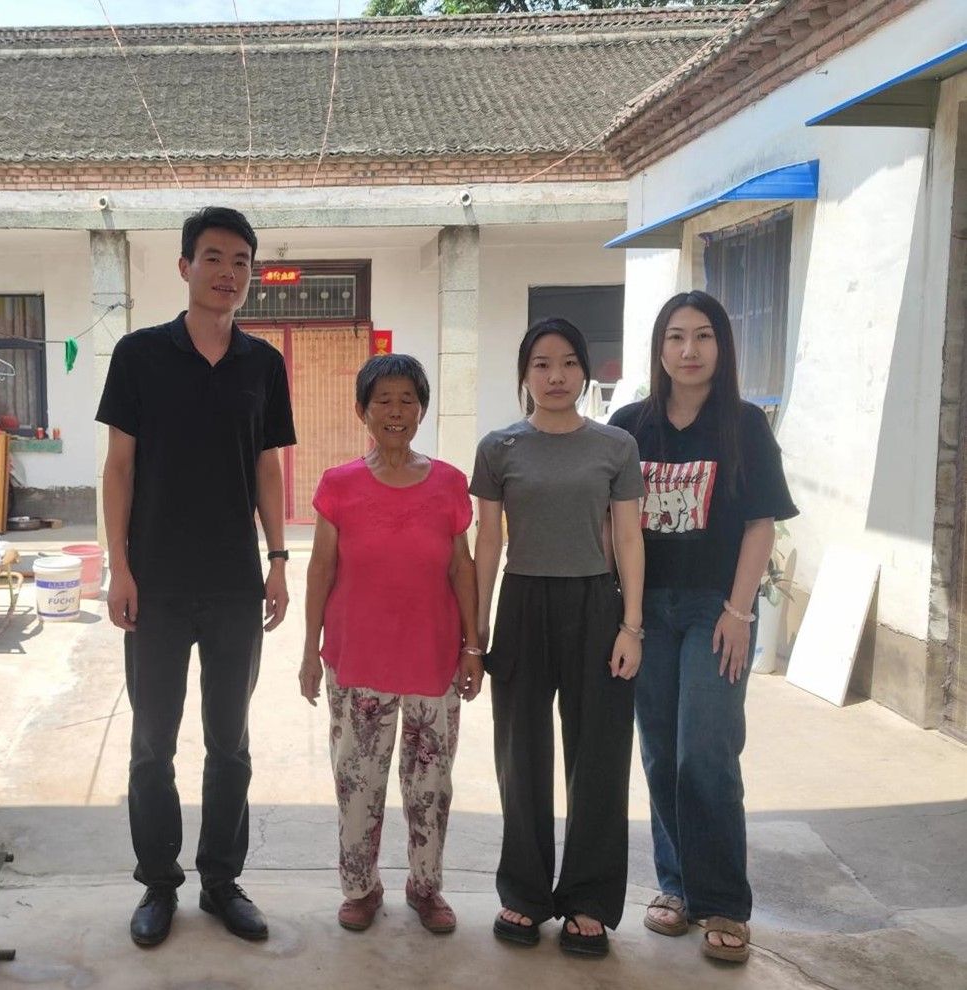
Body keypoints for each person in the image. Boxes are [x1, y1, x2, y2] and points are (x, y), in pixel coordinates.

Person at [96, 206, 296, 948]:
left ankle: (220, 881)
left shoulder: (262, 365)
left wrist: (279, 561)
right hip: (156, 583)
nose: (227, 273)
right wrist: (119, 567)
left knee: (229, 742)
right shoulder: (139, 354)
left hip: (235, 584)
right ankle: (158, 883)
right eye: (213, 258)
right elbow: (118, 470)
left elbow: (268, 469)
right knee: (153, 744)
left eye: (241, 261)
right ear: (185, 266)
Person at [609, 290, 797, 964]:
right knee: (660, 750)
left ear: (722, 346)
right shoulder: (630, 426)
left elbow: (760, 524)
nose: (690, 350)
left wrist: (739, 613)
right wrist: (626, 618)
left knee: (705, 750)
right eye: (676, 337)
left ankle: (723, 901)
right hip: (647, 610)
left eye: (704, 336)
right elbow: (613, 524)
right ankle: (677, 887)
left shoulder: (744, 426)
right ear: (659, 349)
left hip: (715, 609)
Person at [471, 318, 645, 956]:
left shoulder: (615, 446)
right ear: (524, 373)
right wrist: (476, 631)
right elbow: (488, 542)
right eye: (541, 364)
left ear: (585, 371)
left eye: (569, 362)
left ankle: (588, 900)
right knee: (520, 753)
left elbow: (628, 537)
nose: (556, 376)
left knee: (598, 755)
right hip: (522, 603)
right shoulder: (499, 448)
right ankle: (524, 892)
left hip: (597, 603)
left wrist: (632, 626)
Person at [299, 354, 482, 934]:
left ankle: (426, 888)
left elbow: (461, 568)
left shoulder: (449, 483)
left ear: (422, 409)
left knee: (431, 785)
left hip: (433, 657)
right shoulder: (338, 485)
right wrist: (309, 650)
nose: (396, 411)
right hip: (357, 657)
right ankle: (360, 887)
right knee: (358, 782)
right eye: (383, 400)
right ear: (363, 411)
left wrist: (473, 646)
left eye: (408, 400)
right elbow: (321, 568)